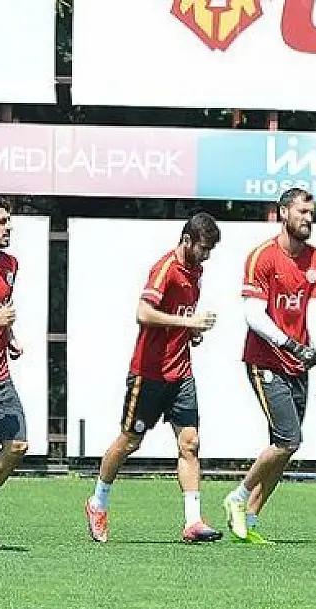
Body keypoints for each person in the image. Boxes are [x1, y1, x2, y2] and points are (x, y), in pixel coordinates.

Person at [84, 213, 223, 544]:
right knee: (130, 441)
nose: (207, 256)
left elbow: (179, 317)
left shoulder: (197, 271)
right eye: (203, 248)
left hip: (181, 373)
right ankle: (97, 502)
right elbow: (143, 313)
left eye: (210, 250)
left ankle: (193, 522)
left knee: (190, 442)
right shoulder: (166, 269)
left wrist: (191, 334)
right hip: (149, 374)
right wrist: (188, 324)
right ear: (187, 240)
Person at [223, 189, 316, 544]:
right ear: (283, 212)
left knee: (285, 446)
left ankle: (249, 519)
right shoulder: (263, 256)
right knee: (289, 440)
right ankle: (237, 497)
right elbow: (253, 314)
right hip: (265, 361)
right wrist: (290, 344)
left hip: (297, 363)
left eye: (312, 213)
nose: (308, 218)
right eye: (302, 211)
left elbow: (314, 314)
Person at [0, 197, 28, 549]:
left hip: (0, 376)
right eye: (2, 221)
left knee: (17, 444)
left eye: (9, 221)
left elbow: (2, 310)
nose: (9, 226)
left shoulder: (10, 264)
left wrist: (11, 336)